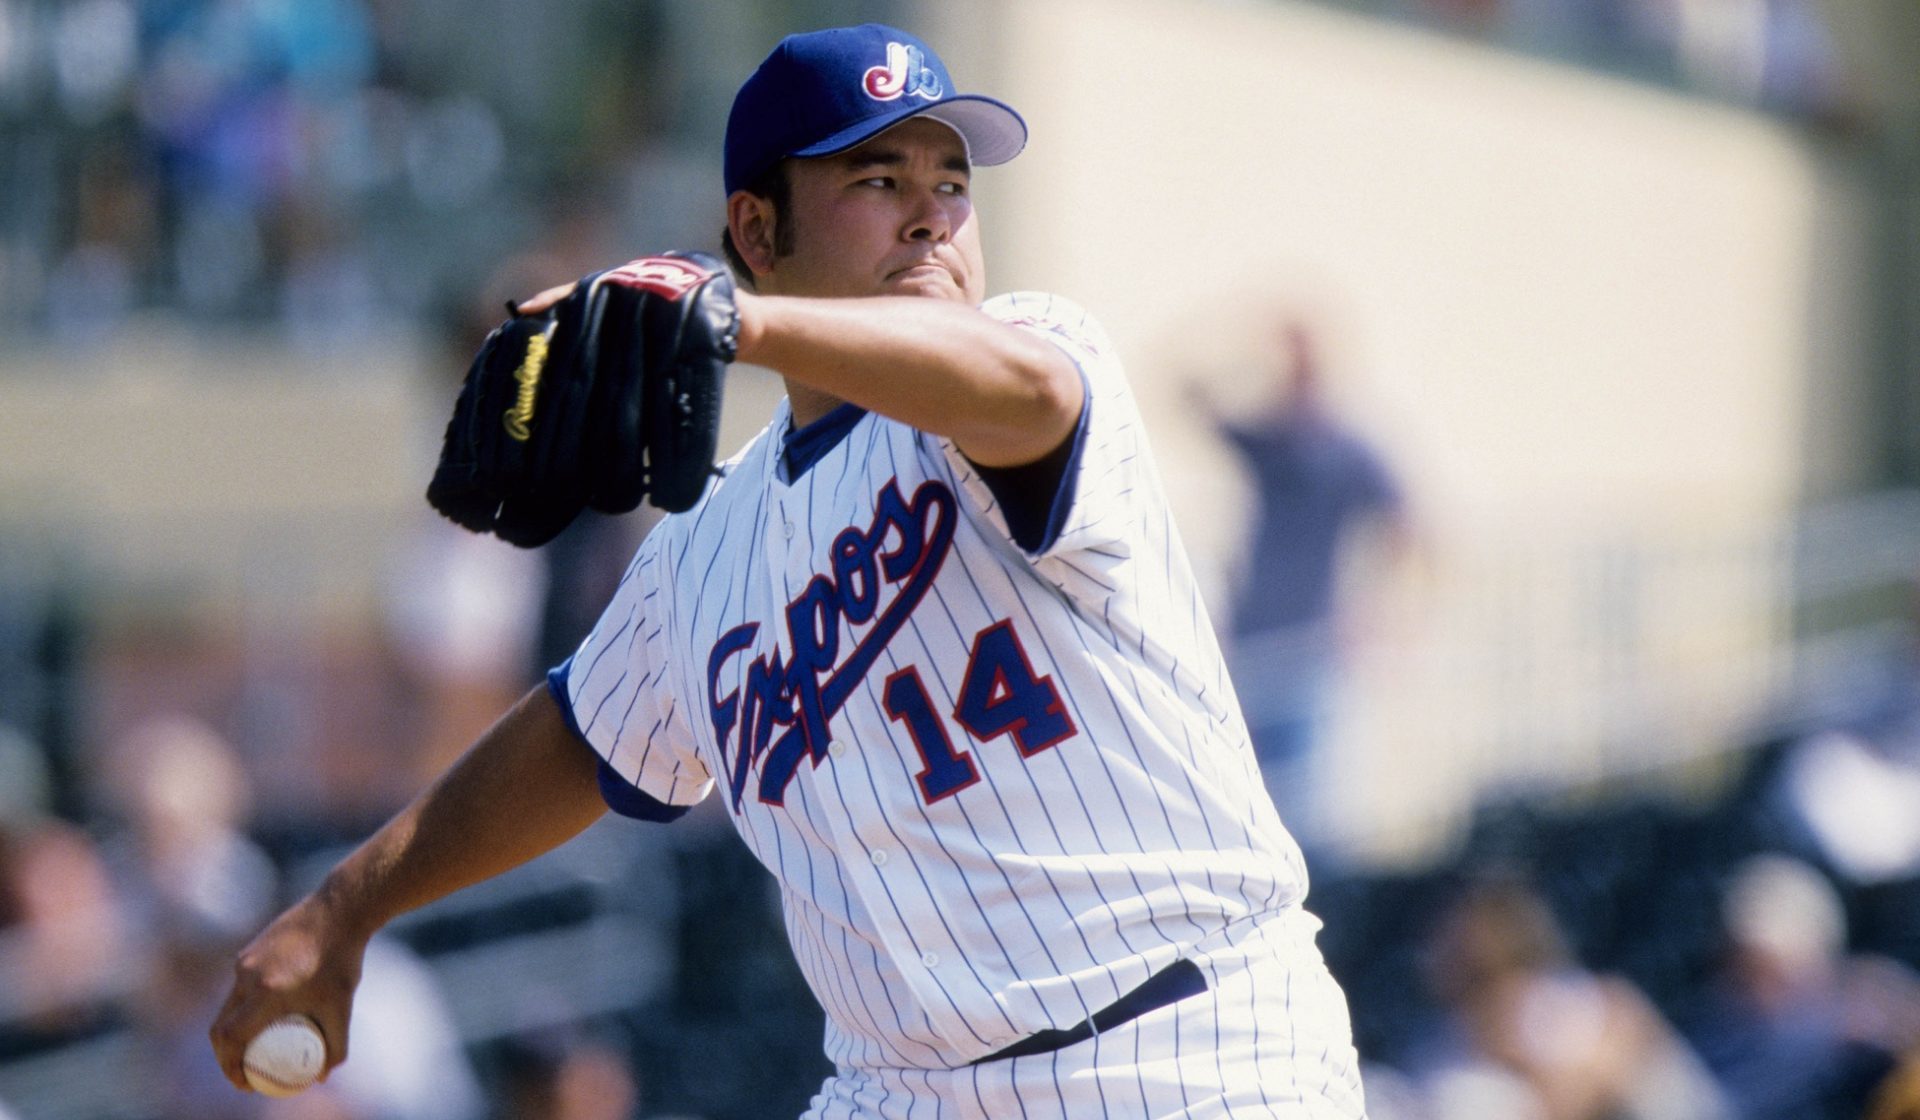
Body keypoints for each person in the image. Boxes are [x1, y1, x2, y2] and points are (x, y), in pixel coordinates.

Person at [210, 23, 1367, 1118]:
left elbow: (1017, 393)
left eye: (951, 183)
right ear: (759, 232)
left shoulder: (1038, 350)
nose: (930, 219)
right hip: (902, 1085)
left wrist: (740, 326)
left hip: (1190, 1048)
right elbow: (578, 733)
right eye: (876, 181)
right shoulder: (705, 550)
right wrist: (343, 909)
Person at [1196, 317, 1410, 852]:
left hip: (1307, 647)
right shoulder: (1269, 443)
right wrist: (1242, 355)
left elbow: (1407, 528)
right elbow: (1186, 393)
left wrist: (1373, 609)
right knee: (1244, 803)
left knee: (1309, 818)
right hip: (1250, 646)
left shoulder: (1346, 449)